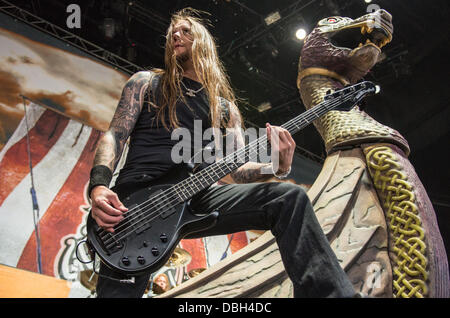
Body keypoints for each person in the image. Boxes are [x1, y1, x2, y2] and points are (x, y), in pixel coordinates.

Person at [88, 7, 356, 298]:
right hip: (135, 204)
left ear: (203, 40)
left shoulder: (225, 110)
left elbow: (238, 171)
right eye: (172, 33)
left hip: (196, 195)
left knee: (289, 197)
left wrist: (276, 167)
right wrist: (99, 185)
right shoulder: (146, 83)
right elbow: (115, 135)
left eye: (185, 30)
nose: (175, 35)